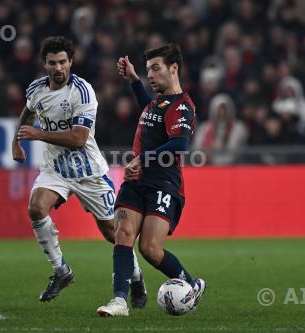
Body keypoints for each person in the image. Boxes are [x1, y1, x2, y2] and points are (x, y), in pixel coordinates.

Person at [11, 36, 147, 307]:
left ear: (71, 62)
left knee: (112, 231)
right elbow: (27, 113)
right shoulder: (36, 89)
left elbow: (78, 138)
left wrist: (37, 134)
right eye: (52, 63)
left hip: (89, 173)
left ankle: (135, 276)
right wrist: (17, 141)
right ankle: (61, 271)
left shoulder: (82, 91)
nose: (58, 67)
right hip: (56, 170)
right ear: (45, 64)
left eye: (63, 62)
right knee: (36, 208)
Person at [97, 44, 206, 317]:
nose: (151, 75)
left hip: (163, 184)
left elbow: (179, 144)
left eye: (156, 68)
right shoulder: (157, 103)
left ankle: (192, 285)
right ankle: (119, 301)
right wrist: (134, 80)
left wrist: (142, 160)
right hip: (136, 181)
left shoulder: (182, 106)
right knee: (122, 234)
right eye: (148, 70)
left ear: (174, 68)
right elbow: (150, 106)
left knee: (149, 248)